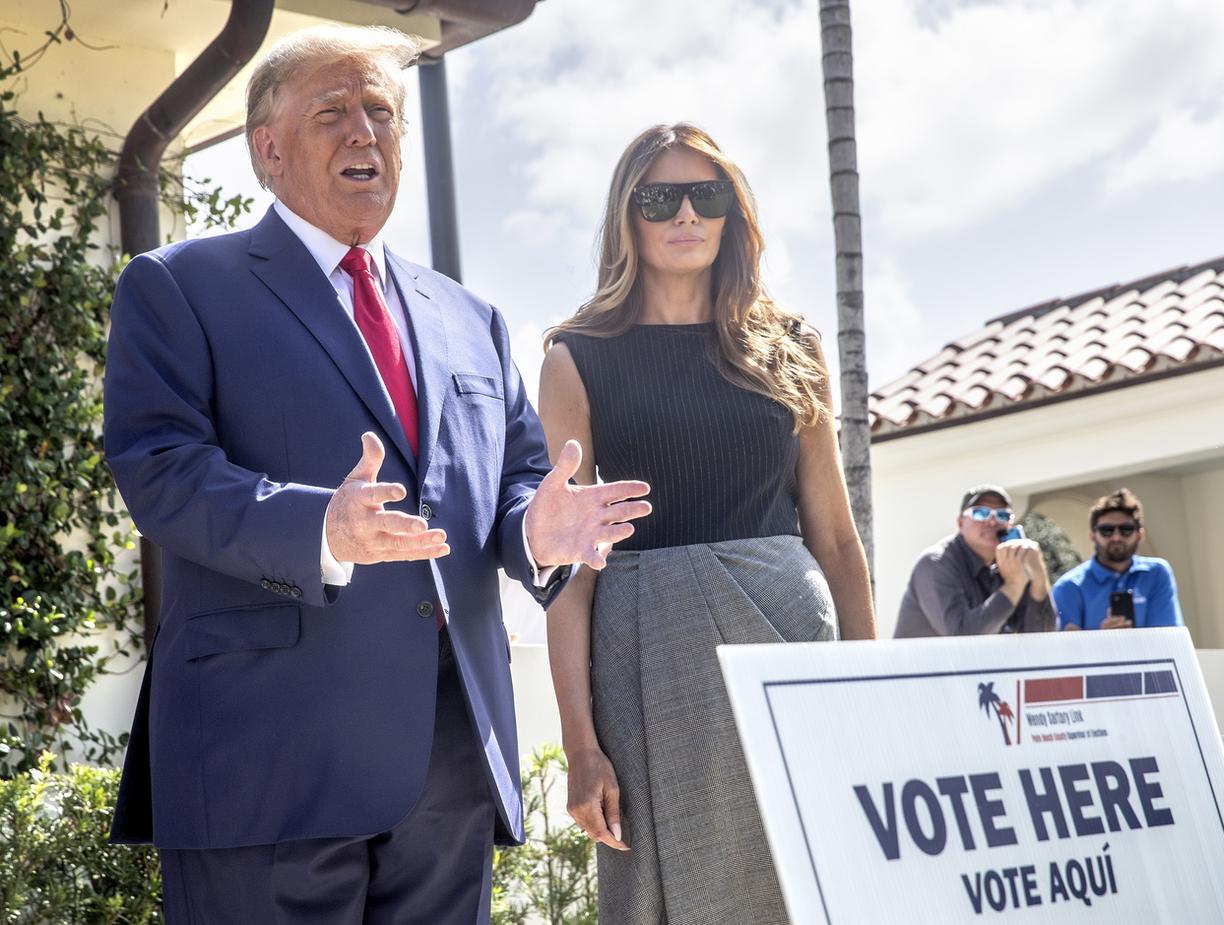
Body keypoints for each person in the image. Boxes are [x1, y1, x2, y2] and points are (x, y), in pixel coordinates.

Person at [103, 25, 650, 923]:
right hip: (267, 763)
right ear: (267, 151)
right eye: (333, 112)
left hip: (448, 764)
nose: (366, 132)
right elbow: (158, 468)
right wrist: (319, 525)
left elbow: (513, 476)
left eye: (382, 113)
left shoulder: (470, 317)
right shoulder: (178, 286)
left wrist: (534, 531)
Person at [537, 122, 876, 925]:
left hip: (792, 653)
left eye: (707, 193)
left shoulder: (791, 348)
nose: (685, 213)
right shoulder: (574, 358)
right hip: (649, 661)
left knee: (810, 881)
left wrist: (870, 687)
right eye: (661, 197)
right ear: (630, 215)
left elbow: (834, 536)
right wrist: (581, 745)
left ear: (734, 212)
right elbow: (567, 569)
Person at [895, 485, 1057, 637]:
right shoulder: (936, 563)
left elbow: (1041, 636)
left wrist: (1039, 579)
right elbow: (961, 636)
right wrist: (1013, 585)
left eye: (1002, 515)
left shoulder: (1011, 564)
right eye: (980, 513)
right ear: (960, 522)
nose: (992, 522)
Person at [1053, 488, 1184, 631]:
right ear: (1093, 536)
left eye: (1126, 529)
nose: (1116, 537)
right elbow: (1065, 651)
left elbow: (1167, 639)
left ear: (1140, 535)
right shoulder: (1069, 587)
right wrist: (1103, 639)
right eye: (1107, 530)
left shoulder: (1156, 573)